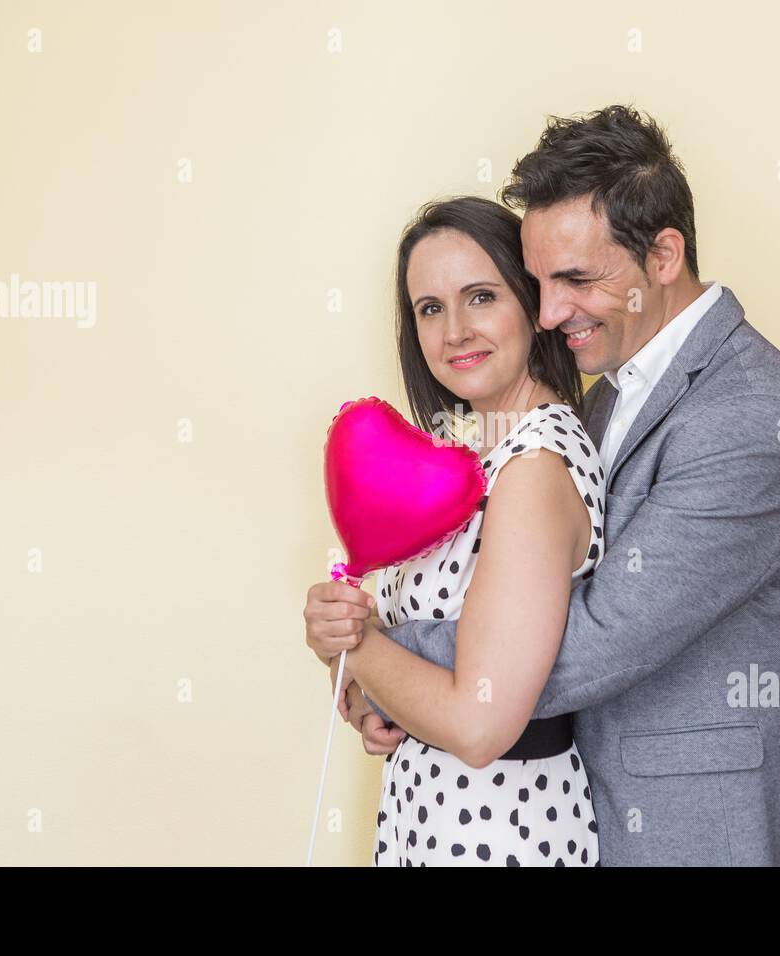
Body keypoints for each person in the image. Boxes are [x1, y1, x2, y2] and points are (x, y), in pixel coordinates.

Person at [308, 106, 780, 866]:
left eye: (575, 280)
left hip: (701, 834)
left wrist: (374, 654)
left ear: (663, 254)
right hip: (586, 818)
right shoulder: (608, 396)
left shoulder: (753, 416)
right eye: (541, 282)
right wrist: (384, 685)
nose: (551, 312)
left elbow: (591, 636)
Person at [304, 195, 603, 866]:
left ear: (532, 304)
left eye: (481, 297)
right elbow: (404, 679)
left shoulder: (534, 465)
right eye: (430, 309)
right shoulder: (469, 461)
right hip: (428, 820)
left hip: (501, 833)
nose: (455, 332)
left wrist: (355, 643)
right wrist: (356, 684)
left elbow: (479, 722)